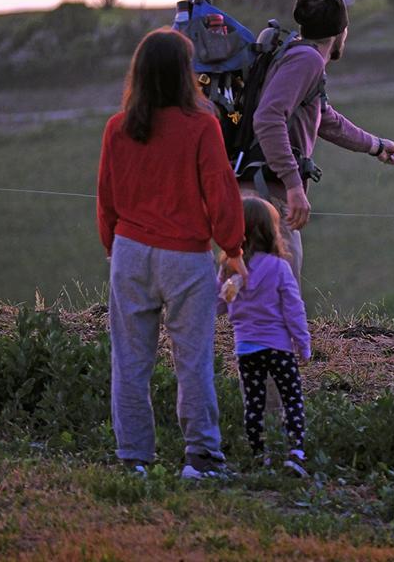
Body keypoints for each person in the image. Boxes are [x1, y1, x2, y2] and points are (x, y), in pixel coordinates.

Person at [97, 28, 247, 479]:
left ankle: (134, 459)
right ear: (186, 73)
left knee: (130, 362)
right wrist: (234, 249)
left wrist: (114, 247)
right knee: (193, 361)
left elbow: (106, 197)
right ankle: (201, 458)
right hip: (185, 258)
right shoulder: (202, 126)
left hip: (130, 252)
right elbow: (220, 191)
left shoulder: (117, 128)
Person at [249, 0, 394, 279]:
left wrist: (376, 145)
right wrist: (293, 184)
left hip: (262, 189)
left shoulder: (296, 55)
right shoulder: (307, 61)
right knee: (280, 292)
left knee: (258, 290)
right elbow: (268, 118)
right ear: (340, 32)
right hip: (269, 193)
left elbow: (324, 118)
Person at [218, 196, 311, 476]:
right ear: (272, 230)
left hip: (246, 349)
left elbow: (218, 304)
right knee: (292, 398)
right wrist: (303, 344)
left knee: (254, 403)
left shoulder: (230, 268)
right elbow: (294, 308)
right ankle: (295, 451)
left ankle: (260, 454)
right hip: (280, 349)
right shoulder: (279, 268)